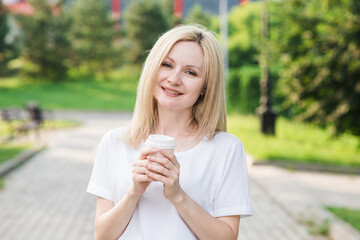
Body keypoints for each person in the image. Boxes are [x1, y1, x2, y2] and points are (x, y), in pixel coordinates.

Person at [87, 24, 252, 240]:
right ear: (153, 68)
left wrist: (177, 195)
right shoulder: (114, 142)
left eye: (191, 72)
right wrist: (134, 191)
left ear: (206, 87)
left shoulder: (226, 149)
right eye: (167, 65)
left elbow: (227, 238)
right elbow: (103, 235)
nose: (174, 79)